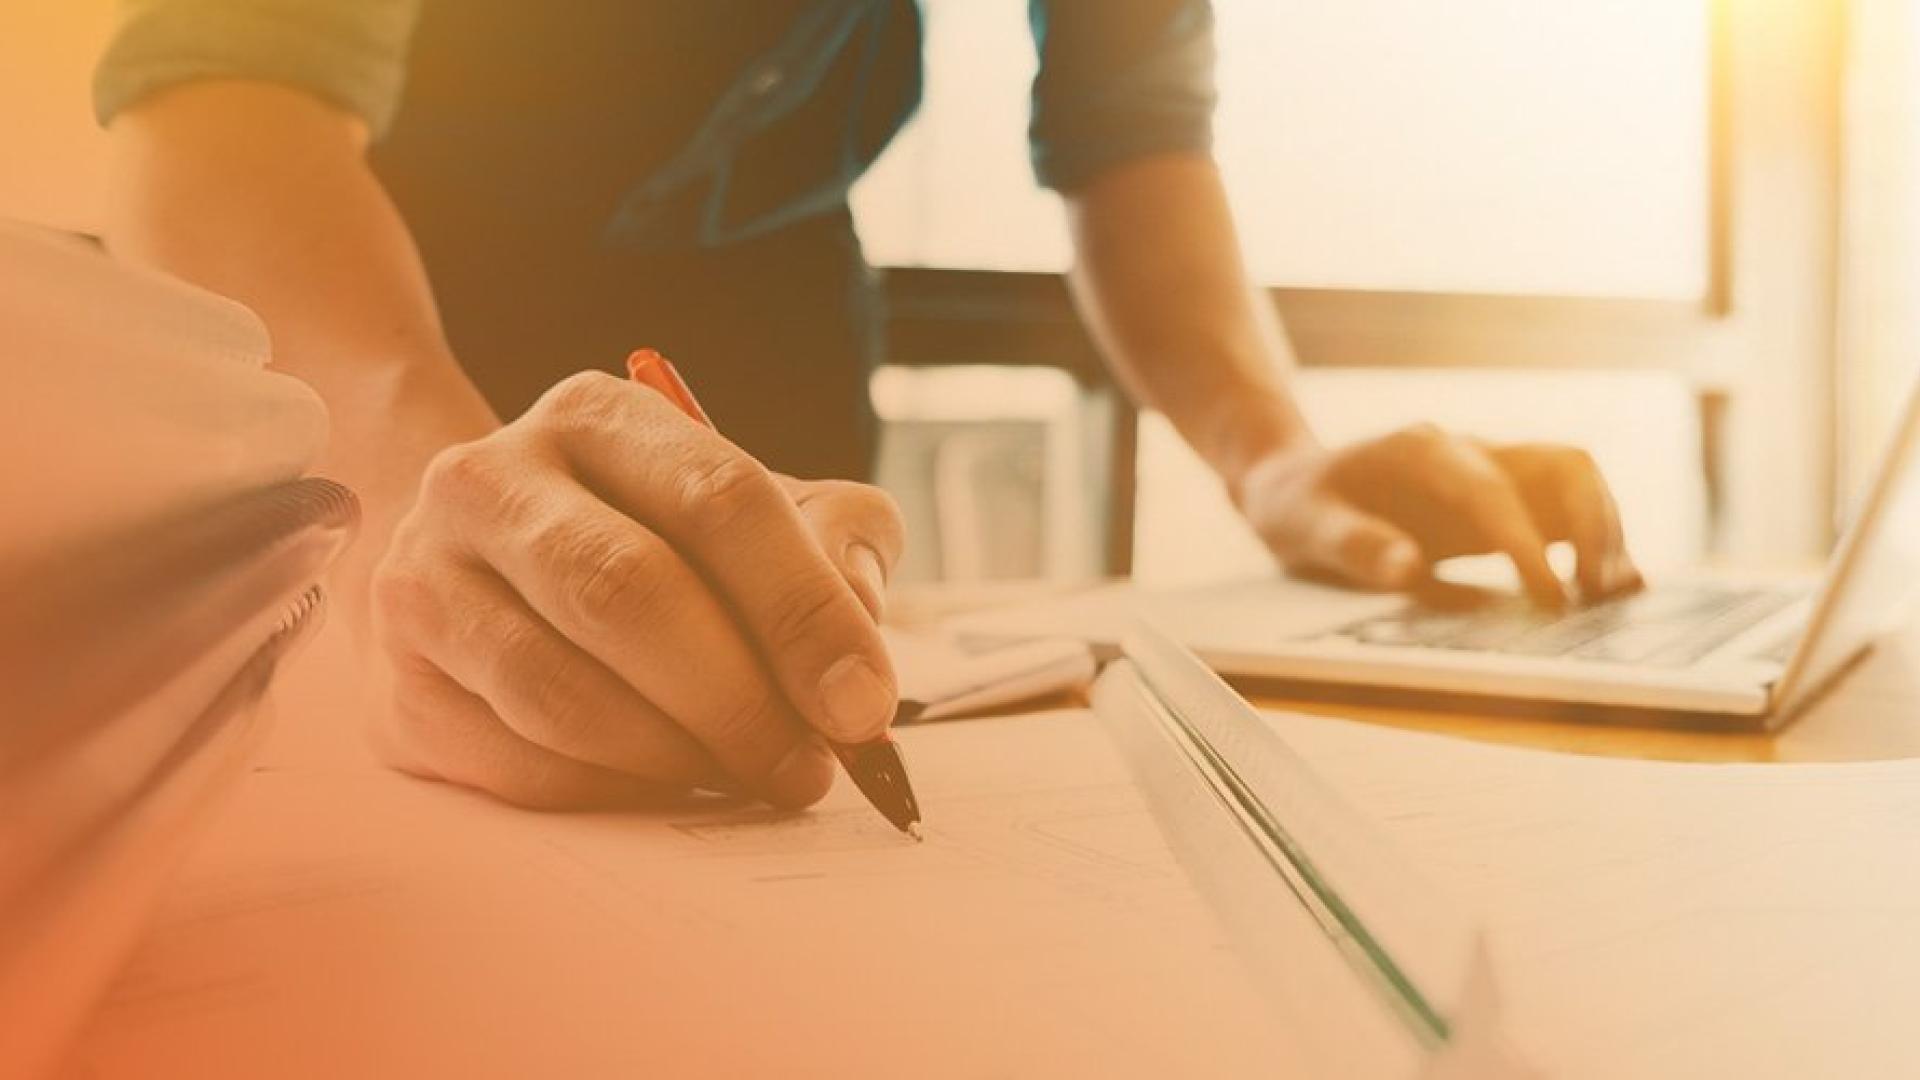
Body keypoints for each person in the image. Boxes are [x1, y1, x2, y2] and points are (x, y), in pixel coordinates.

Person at [93, 0, 1641, 812]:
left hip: (766, 328)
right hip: (374, 318)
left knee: (769, 793)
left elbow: (1137, 135)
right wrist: (418, 498)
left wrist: (1275, 446)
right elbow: (223, 101)